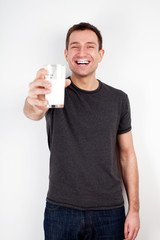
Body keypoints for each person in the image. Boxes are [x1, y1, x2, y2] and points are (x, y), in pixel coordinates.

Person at [23, 22, 140, 240]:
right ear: (67, 54)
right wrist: (34, 102)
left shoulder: (118, 99)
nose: (82, 52)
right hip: (61, 210)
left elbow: (127, 155)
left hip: (110, 211)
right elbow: (32, 112)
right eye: (75, 47)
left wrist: (134, 209)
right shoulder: (55, 90)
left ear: (101, 54)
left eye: (90, 46)